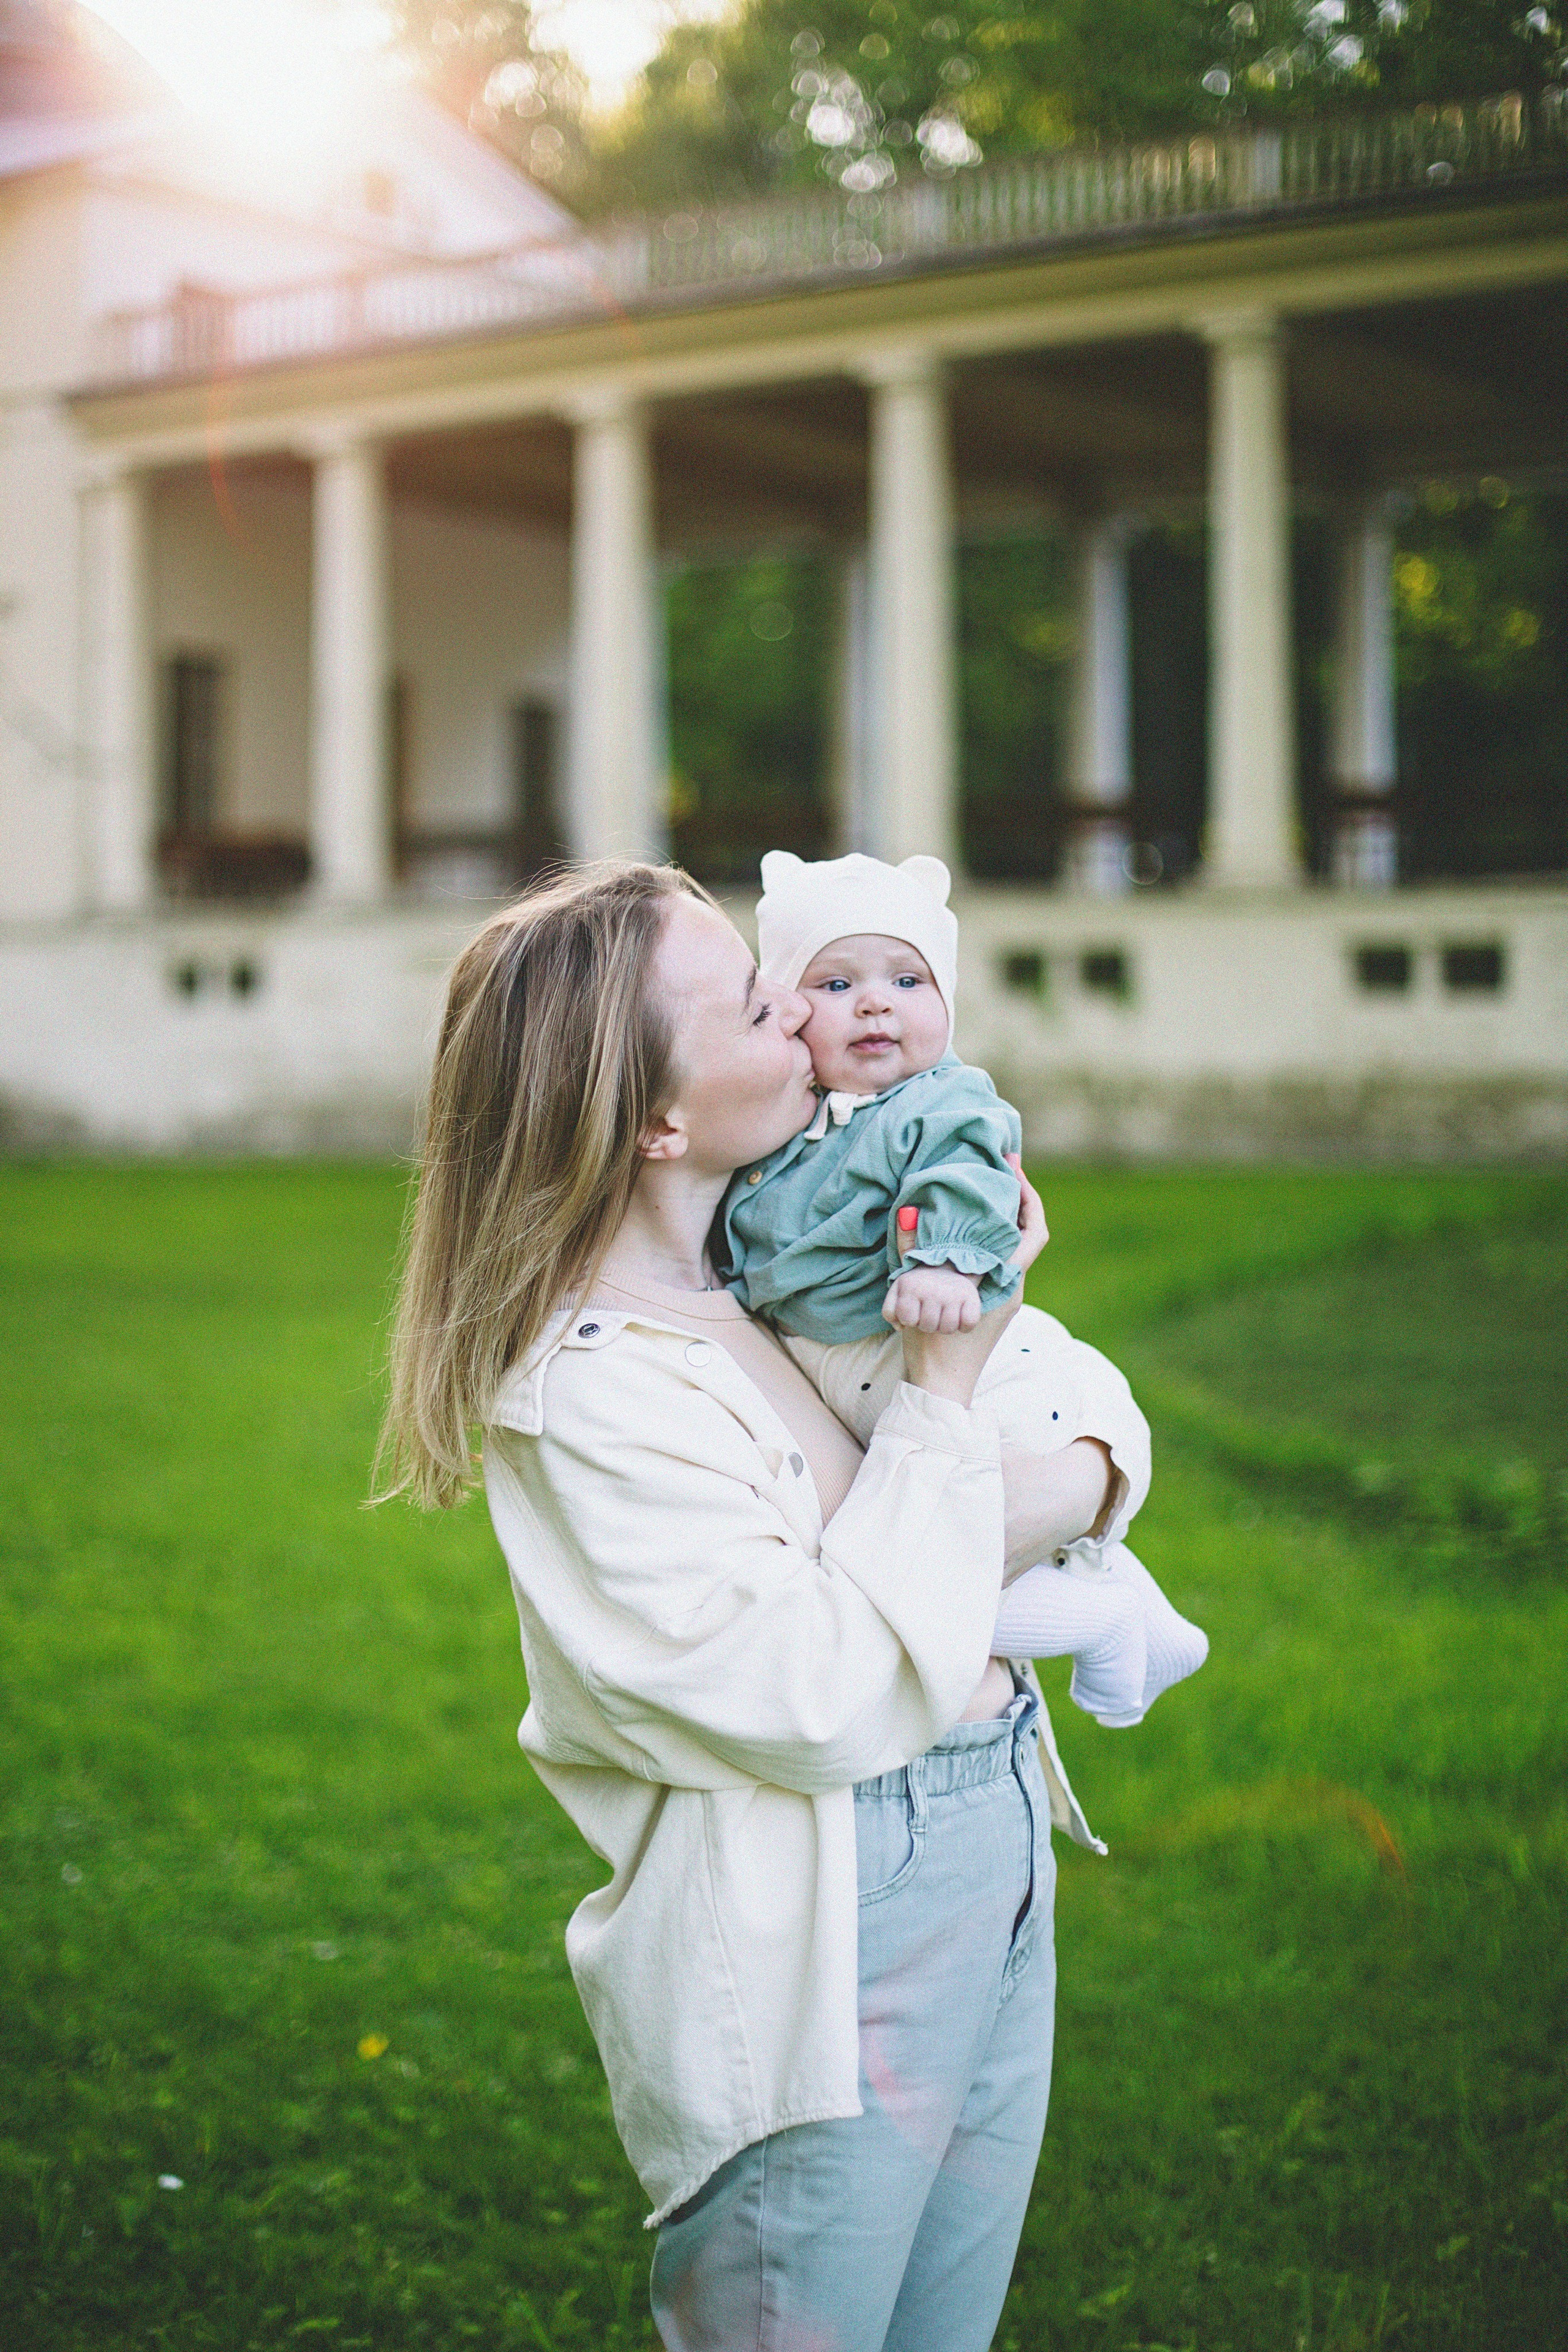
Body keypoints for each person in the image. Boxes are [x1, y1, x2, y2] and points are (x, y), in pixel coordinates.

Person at [379, 861, 1147, 2352]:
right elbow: (819, 1693)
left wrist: (1086, 1462)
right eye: (752, 1002)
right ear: (656, 1119)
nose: (809, 1013)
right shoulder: (589, 1390)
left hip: (988, 1829)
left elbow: (1075, 1394)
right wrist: (978, 1423)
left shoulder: (783, 1268)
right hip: (810, 1925)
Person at [722, 848, 1208, 1730]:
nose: (874, 1001)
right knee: (922, 1569)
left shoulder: (941, 1102)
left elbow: (969, 1178)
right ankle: (1125, 1604)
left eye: (907, 979)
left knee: (945, 1568)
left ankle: (1107, 1618)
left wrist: (946, 1262)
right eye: (834, 985)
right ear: (786, 1012)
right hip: (862, 1377)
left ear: (945, 1001)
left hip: (965, 1356)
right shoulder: (793, 1127)